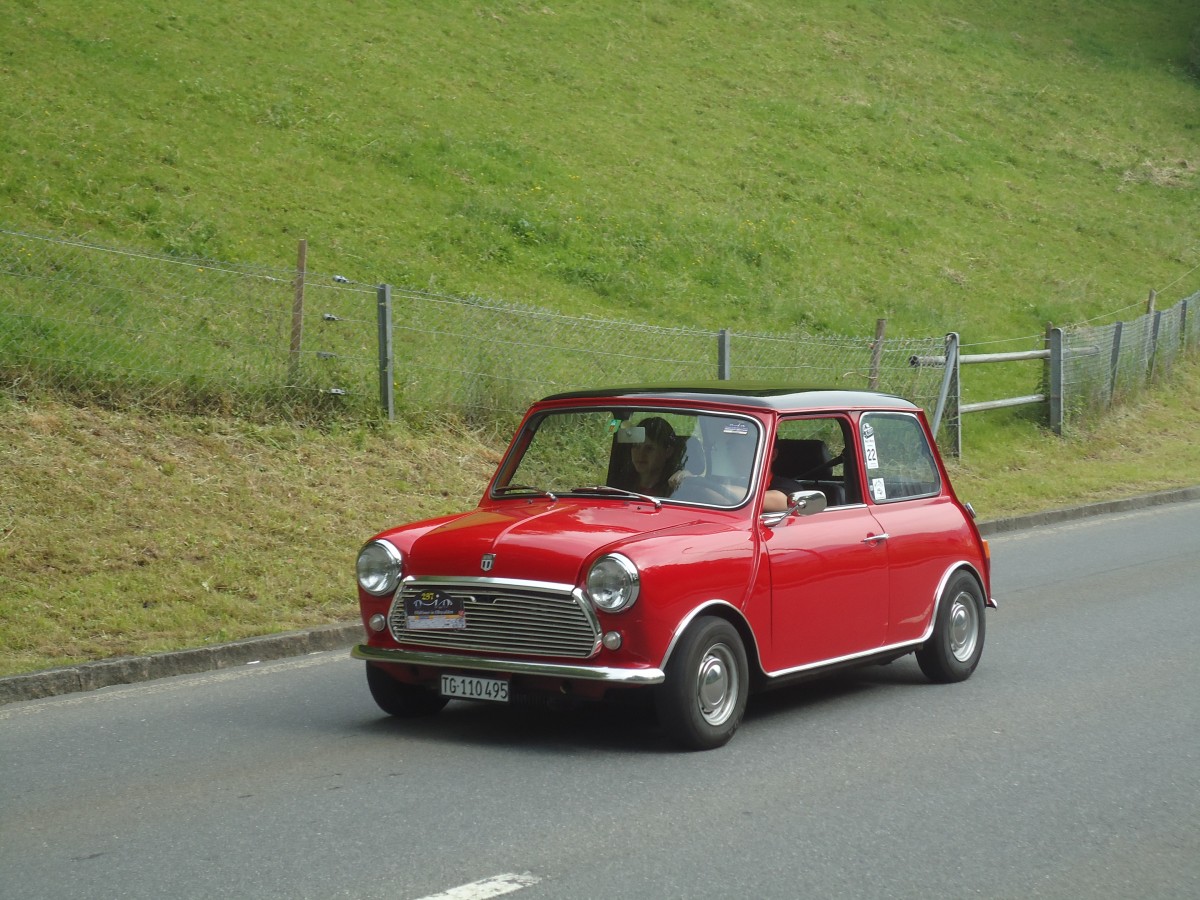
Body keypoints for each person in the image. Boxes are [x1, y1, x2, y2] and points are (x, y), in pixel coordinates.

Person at [612, 417, 683, 496]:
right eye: (636, 446)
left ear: (668, 452)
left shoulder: (675, 489)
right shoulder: (619, 486)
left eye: (649, 448)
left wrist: (687, 479)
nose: (640, 454)